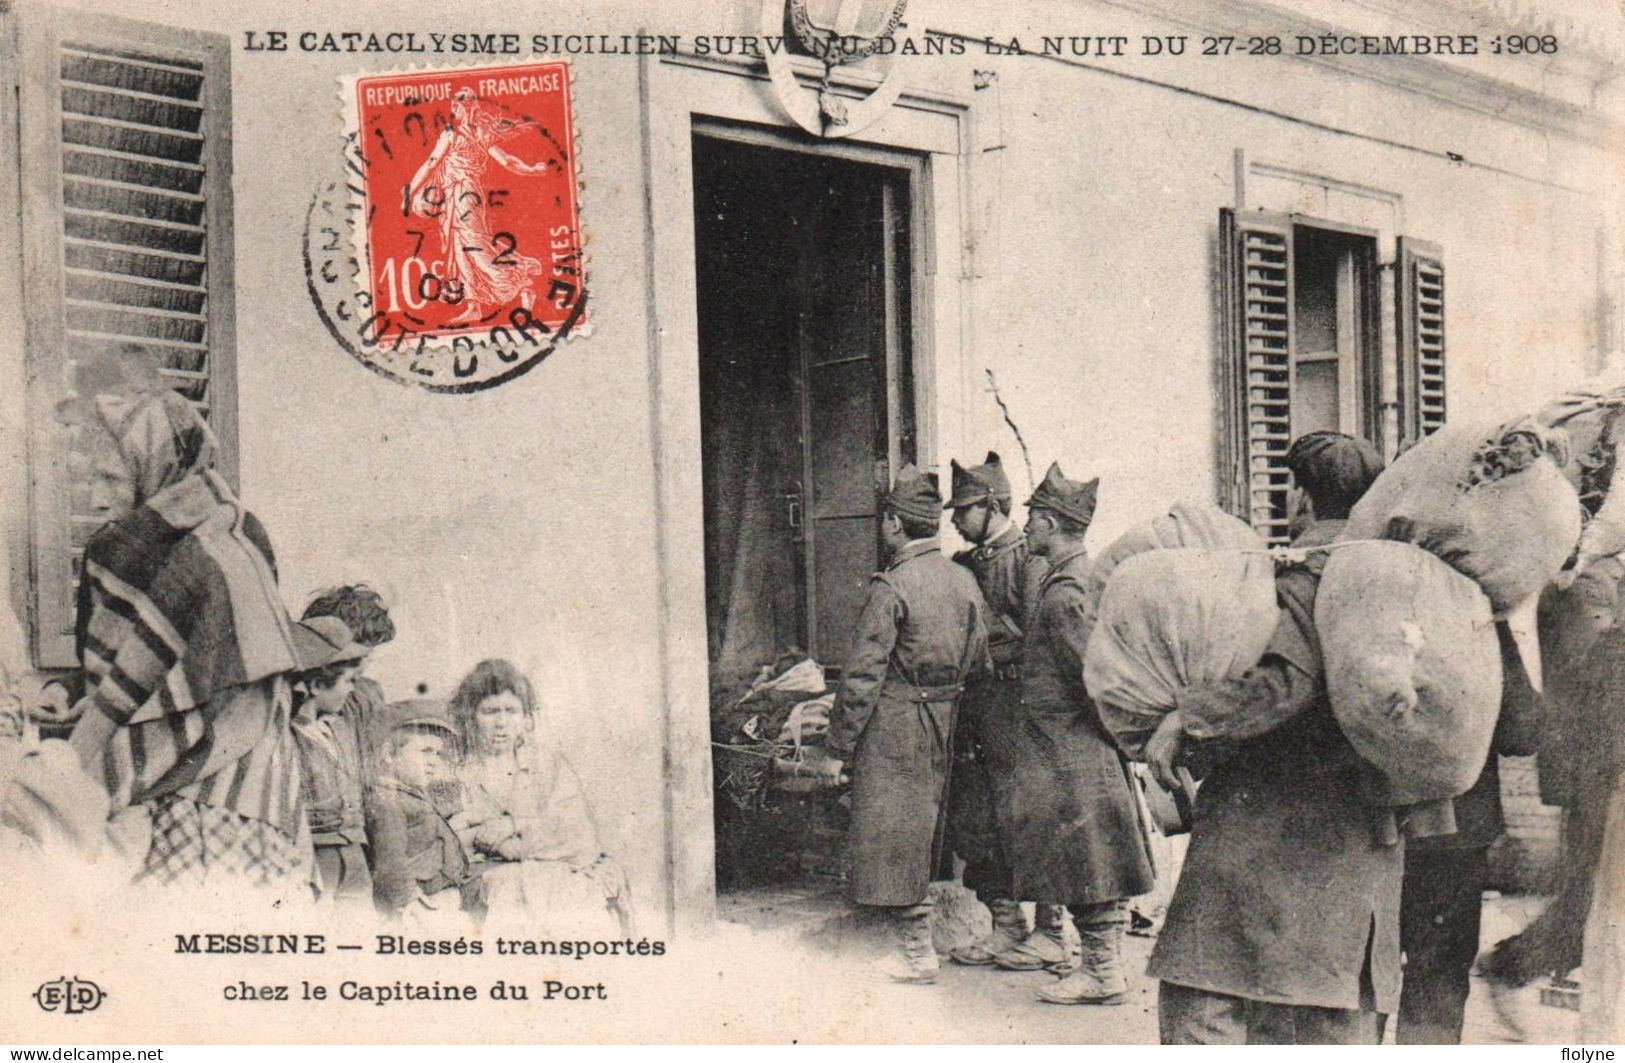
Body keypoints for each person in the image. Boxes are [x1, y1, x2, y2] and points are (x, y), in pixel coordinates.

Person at [1144, 430, 1398, 1043]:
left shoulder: (1304, 580)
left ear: (1301, 501)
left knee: (1208, 1009)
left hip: (1272, 838)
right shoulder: (1390, 580)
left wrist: (1186, 717)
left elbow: (1281, 685)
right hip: (1360, 847)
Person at [65, 388, 306, 893]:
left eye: (109, 476)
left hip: (215, 804)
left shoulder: (224, 549)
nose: (94, 498)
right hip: (154, 804)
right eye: (88, 478)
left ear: (155, 465)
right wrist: (69, 696)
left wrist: (91, 765)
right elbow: (132, 675)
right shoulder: (123, 552)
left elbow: (219, 678)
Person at [820, 464, 991, 984]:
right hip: (946, 717)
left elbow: (861, 678)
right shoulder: (963, 580)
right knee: (921, 829)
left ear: (894, 523)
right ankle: (917, 949)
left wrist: (837, 748)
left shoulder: (890, 588)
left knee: (891, 831)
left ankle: (915, 952)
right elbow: (980, 660)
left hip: (895, 727)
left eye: (885, 519)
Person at [1013, 462, 1156, 1004]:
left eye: (1032, 521)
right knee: (1082, 858)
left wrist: (1110, 740)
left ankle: (1102, 972)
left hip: (1073, 749)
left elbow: (1094, 678)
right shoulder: (1066, 581)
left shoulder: (1066, 592)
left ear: (1050, 525)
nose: (1026, 529)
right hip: (1065, 747)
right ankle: (1100, 967)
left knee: (1090, 860)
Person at [940, 453, 1070, 971]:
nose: (954, 520)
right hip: (977, 711)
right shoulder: (962, 566)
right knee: (979, 821)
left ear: (992, 506)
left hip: (1020, 713)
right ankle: (1006, 925)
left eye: (964, 509)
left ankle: (1050, 932)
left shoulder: (1030, 562)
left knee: (1036, 821)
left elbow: (1043, 641)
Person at [449, 659, 628, 936]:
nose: (501, 723)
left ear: (526, 717)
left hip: (556, 876)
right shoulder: (454, 769)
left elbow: (579, 839)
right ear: (469, 715)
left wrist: (513, 826)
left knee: (573, 900)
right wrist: (486, 842)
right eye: (490, 711)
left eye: (512, 711)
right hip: (488, 882)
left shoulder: (548, 765)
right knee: (508, 894)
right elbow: (445, 840)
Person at [406, 88, 551, 325]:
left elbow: (431, 165)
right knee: (462, 249)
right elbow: (508, 161)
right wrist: (531, 169)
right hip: (461, 196)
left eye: (462, 103)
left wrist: (409, 191)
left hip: (464, 195)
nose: (460, 108)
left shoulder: (454, 134)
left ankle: (521, 284)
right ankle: (474, 305)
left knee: (475, 247)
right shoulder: (479, 133)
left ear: (462, 107)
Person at [368, 700, 483, 928]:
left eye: (438, 754)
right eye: (425, 751)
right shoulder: (386, 800)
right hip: (422, 902)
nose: (433, 761)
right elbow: (390, 863)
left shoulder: (413, 795)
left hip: (445, 889)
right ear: (389, 754)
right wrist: (412, 902)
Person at [289, 615, 373, 907]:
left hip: (355, 855)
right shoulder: (288, 738)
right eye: (348, 681)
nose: (352, 691)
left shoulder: (339, 730)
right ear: (315, 685)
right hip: (317, 857)